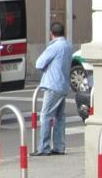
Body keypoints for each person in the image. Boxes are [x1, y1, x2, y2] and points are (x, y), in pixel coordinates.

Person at [33, 22, 74, 156]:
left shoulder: (54, 47)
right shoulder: (68, 46)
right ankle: (59, 146)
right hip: (63, 85)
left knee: (45, 115)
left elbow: (39, 63)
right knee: (59, 117)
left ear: (52, 33)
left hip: (53, 85)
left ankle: (44, 148)